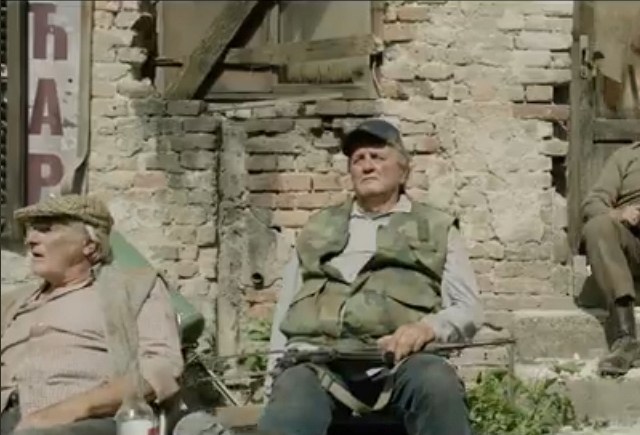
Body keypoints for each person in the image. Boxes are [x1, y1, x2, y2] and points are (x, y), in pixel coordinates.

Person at [259, 119, 484, 435]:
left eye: (377, 157)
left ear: (403, 170)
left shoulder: (437, 227)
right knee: (292, 395)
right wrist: (273, 380)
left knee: (437, 383)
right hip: (320, 364)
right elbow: (286, 308)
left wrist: (427, 328)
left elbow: (468, 308)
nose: (366, 166)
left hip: (403, 364)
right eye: (358, 160)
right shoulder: (317, 228)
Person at [0, 194, 184, 435]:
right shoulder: (13, 303)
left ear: (89, 244)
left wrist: (72, 409)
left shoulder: (133, 288)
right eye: (32, 230)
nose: (31, 239)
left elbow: (161, 368)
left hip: (88, 422)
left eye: (46, 230)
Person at [581, 142, 640, 377]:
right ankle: (626, 338)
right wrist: (619, 214)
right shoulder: (626, 157)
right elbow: (592, 204)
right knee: (598, 226)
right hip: (633, 247)